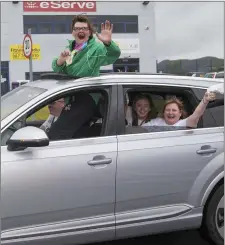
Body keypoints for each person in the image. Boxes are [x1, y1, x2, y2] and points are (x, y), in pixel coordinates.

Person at [52, 15, 121, 77]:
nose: (81, 31)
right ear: (72, 32)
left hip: (87, 90)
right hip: (69, 90)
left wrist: (108, 43)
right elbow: (56, 69)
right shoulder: (69, 48)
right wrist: (60, 61)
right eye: (77, 28)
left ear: (90, 32)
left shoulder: (96, 49)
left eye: (84, 28)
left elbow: (114, 54)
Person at [143, 91, 216, 128]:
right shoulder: (156, 122)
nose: (170, 112)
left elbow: (196, 115)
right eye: (167, 110)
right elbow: (140, 131)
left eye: (174, 110)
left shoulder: (183, 124)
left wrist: (205, 101)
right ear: (164, 112)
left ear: (180, 113)